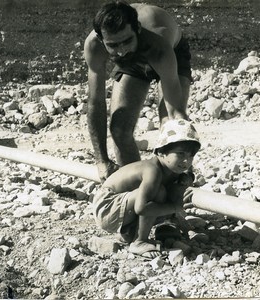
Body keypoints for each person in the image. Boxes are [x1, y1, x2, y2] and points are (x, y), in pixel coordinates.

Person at [84, 1, 193, 182]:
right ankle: (137, 183)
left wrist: (183, 164)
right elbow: (96, 102)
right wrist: (101, 161)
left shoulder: (159, 48)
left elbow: (175, 112)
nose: (121, 50)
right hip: (134, 62)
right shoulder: (94, 46)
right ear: (101, 39)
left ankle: (175, 181)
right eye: (113, 45)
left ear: (138, 30)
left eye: (127, 41)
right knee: (119, 129)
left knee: (168, 122)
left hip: (172, 52)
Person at [92, 119, 201, 259]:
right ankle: (139, 241)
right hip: (107, 207)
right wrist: (175, 207)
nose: (186, 161)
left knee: (168, 190)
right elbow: (142, 208)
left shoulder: (169, 169)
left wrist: (186, 180)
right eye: (180, 154)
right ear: (161, 152)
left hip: (120, 207)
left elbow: (176, 187)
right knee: (159, 192)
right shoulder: (152, 170)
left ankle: (130, 232)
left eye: (191, 156)